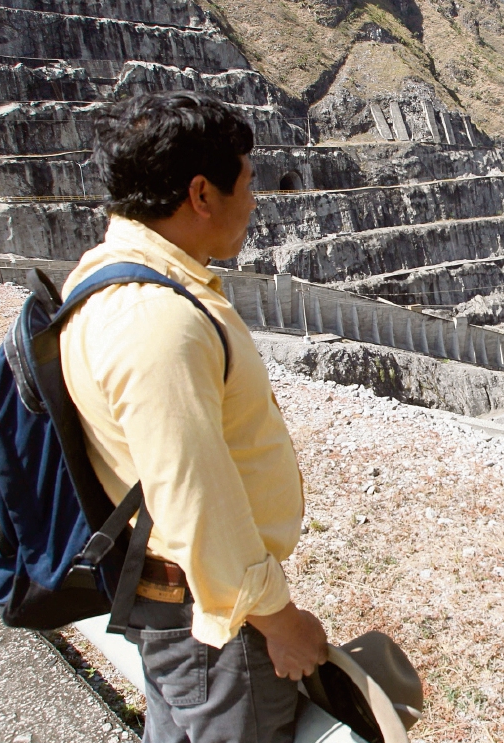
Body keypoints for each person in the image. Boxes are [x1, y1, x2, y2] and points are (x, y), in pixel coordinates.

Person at [60, 90, 327, 742]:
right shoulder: (156, 322)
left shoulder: (109, 277)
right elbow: (195, 501)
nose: (256, 199)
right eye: (249, 181)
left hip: (175, 606)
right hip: (216, 630)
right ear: (202, 194)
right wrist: (279, 619)